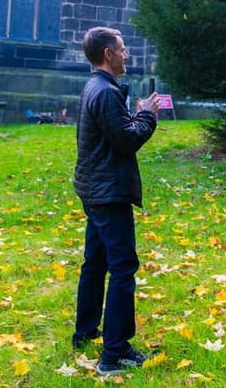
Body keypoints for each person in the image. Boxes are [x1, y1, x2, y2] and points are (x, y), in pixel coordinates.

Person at [72, 27, 160, 376]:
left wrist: (135, 113)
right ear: (108, 54)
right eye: (122, 50)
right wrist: (148, 114)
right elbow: (126, 140)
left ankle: (86, 330)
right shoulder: (105, 92)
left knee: (94, 262)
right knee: (122, 268)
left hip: (93, 188)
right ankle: (115, 353)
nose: (127, 55)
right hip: (107, 192)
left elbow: (114, 133)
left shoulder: (95, 86)